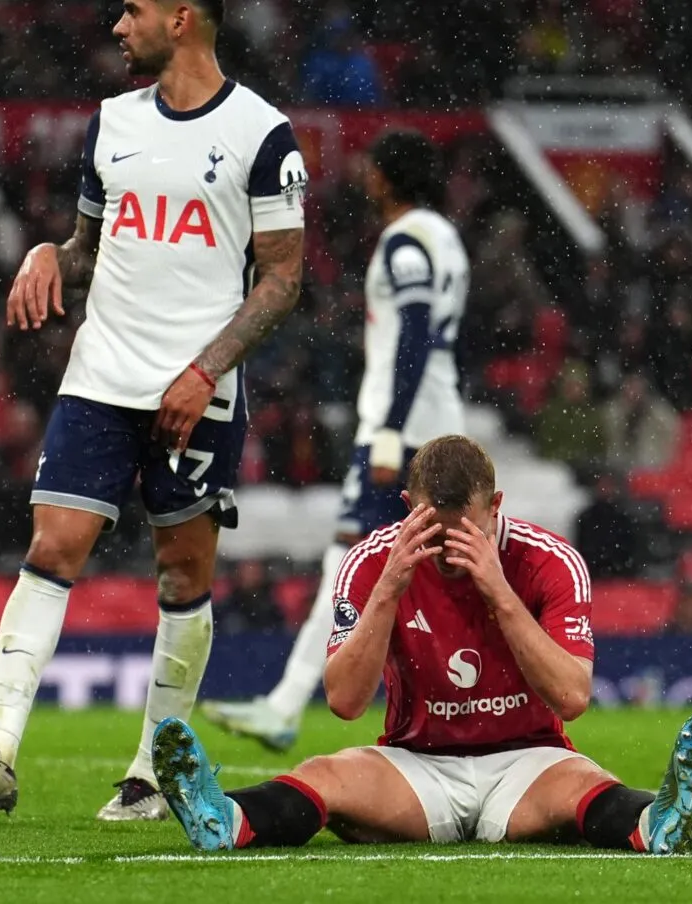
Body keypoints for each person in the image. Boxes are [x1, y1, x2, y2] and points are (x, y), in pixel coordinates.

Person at [0, 0, 308, 822]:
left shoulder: (262, 133)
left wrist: (205, 371)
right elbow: (86, 251)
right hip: (101, 376)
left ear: (181, 19)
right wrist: (45, 255)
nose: (116, 26)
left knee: (182, 571)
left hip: (195, 390)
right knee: (52, 544)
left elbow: (283, 278)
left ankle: (152, 769)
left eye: (132, 11)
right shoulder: (110, 123)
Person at [154, 436, 692, 853]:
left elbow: (572, 697)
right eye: (435, 528)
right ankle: (224, 819)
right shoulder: (374, 561)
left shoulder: (549, 561)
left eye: (465, 529)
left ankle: (659, 824)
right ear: (408, 505)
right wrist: (389, 591)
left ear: (495, 506)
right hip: (417, 764)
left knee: (588, 787)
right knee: (326, 772)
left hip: (527, 760)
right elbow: (346, 702)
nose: (450, 548)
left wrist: (500, 593)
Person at [201, 128, 468, 751]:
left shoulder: (406, 242)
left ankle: (287, 704)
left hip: (403, 437)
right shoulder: (445, 237)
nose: (365, 175)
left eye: (374, 167)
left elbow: (417, 333)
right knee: (442, 570)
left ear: (391, 176)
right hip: (439, 424)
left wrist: (392, 431)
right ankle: (475, 705)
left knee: (348, 563)